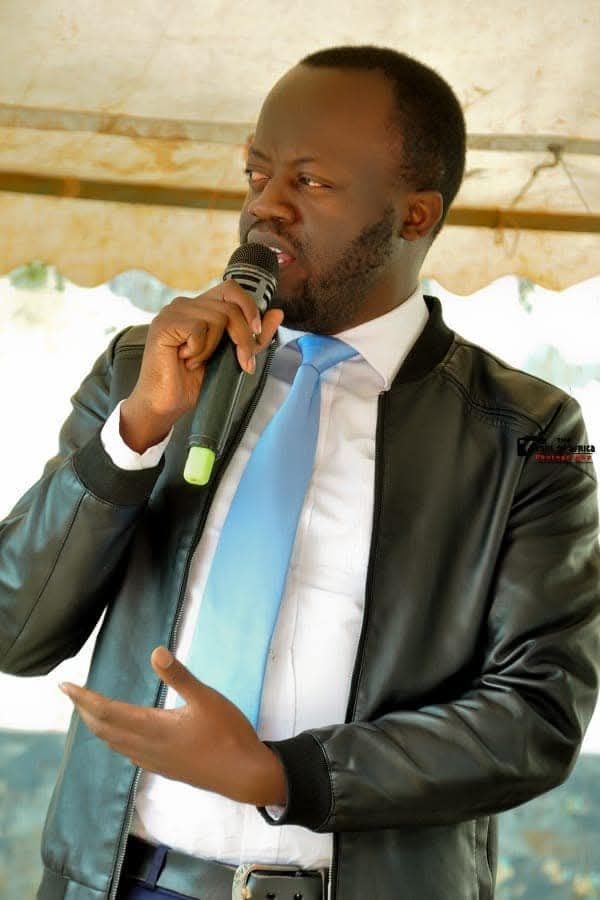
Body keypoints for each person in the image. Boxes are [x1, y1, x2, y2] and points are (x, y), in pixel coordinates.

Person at [1, 44, 599, 900]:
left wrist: (285, 775)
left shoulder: (526, 433)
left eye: (311, 181)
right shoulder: (150, 369)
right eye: (258, 172)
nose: (264, 207)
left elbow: (537, 715)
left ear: (415, 216)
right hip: (121, 882)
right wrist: (135, 435)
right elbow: (15, 631)